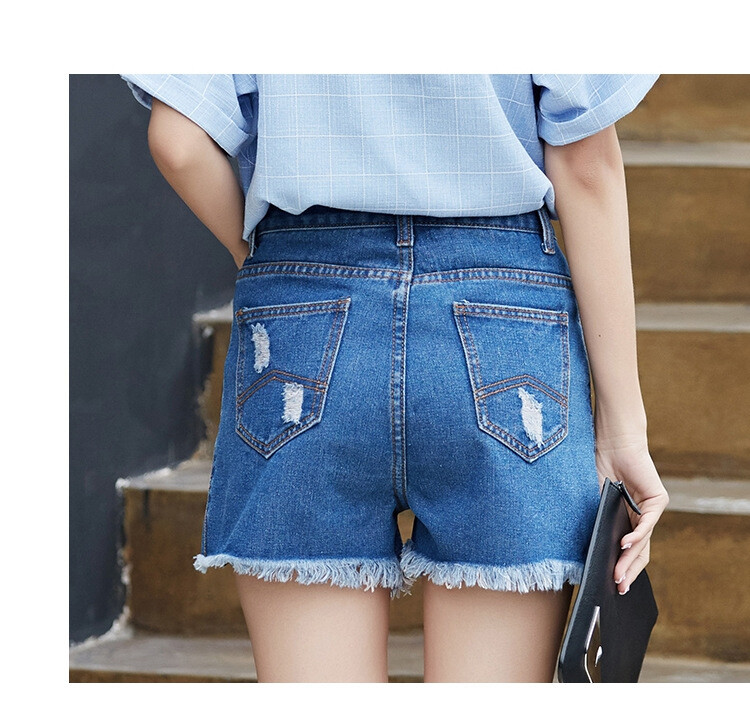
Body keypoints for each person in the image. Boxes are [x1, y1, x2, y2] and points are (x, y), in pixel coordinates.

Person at [120, 73, 670, 683]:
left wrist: (262, 259)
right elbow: (586, 166)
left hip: (304, 305)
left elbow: (179, 141)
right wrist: (623, 430)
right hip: (500, 315)